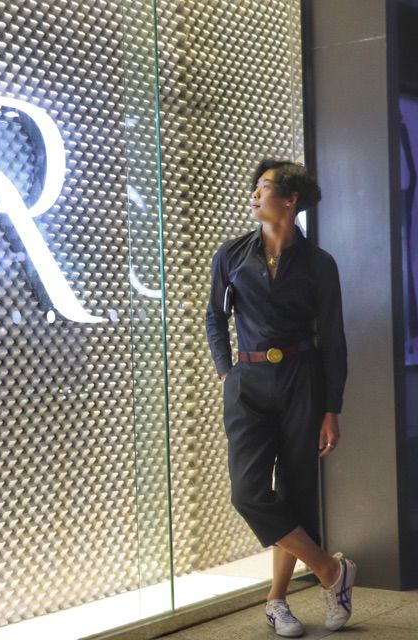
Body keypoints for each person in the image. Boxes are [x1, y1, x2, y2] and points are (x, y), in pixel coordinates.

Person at [206, 159, 355, 638]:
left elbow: (333, 339)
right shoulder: (231, 254)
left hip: (300, 380)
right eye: (254, 187)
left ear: (290, 200)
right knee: (248, 493)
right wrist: (226, 371)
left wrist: (331, 407)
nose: (254, 194)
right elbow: (214, 317)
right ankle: (331, 570)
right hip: (247, 381)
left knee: (296, 492)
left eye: (264, 187)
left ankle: (277, 602)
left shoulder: (319, 264)